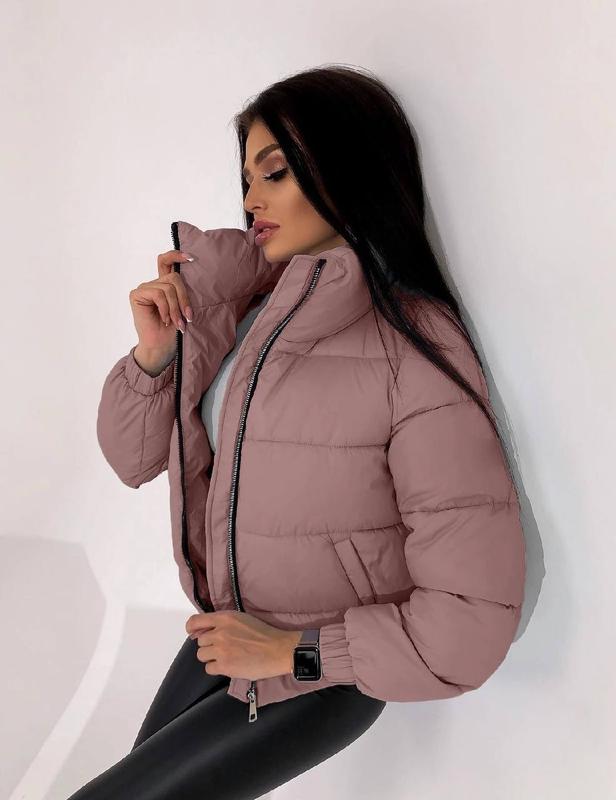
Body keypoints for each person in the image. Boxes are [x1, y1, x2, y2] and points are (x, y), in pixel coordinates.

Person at [76, 64, 526, 799]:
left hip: (316, 669)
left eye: (276, 172)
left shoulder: (413, 344)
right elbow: (132, 459)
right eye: (246, 178)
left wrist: (296, 652)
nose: (252, 199)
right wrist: (154, 357)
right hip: (229, 636)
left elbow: (471, 622)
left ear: (348, 168)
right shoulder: (247, 312)